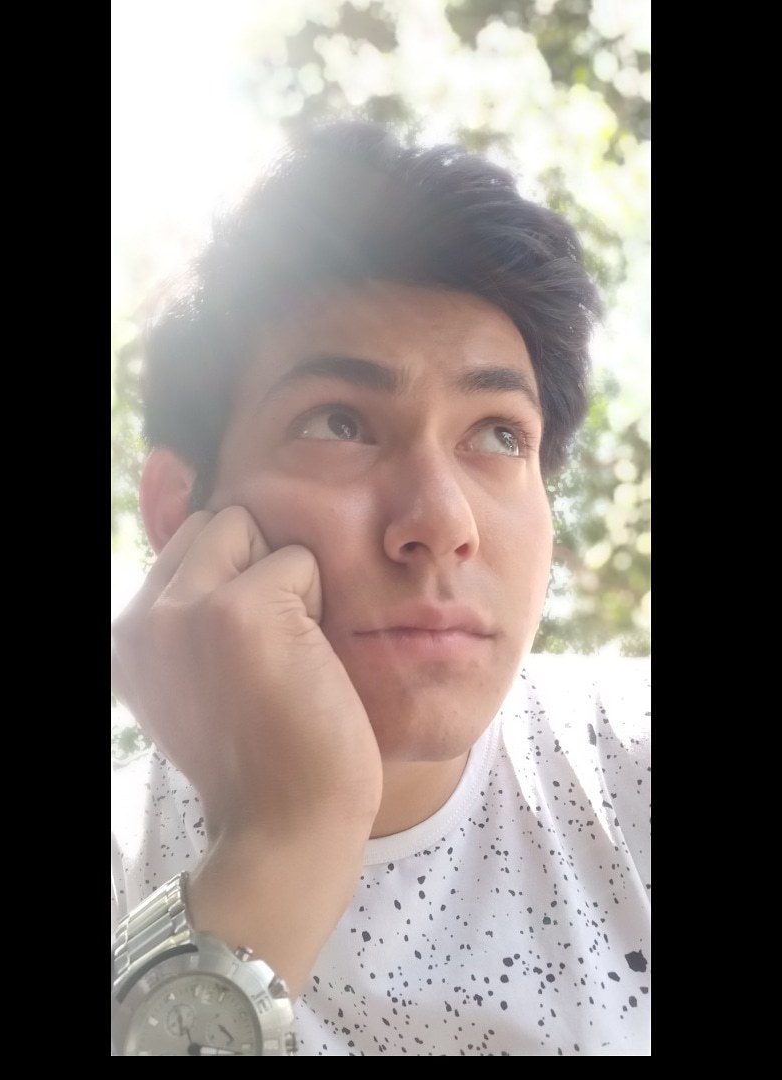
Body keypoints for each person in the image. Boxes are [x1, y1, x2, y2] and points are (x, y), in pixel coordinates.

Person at [110, 121, 650, 1056]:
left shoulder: (628, 774)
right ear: (179, 510)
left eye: (499, 434)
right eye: (339, 422)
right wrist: (285, 842)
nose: (442, 520)